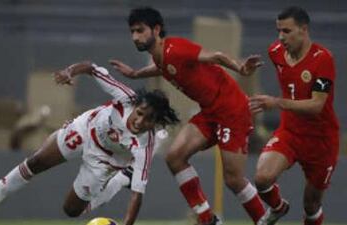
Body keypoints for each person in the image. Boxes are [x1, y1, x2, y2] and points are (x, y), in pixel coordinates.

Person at [0, 61, 180, 225]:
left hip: (105, 160)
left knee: (71, 211)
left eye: (148, 119)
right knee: (35, 163)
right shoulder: (125, 97)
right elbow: (92, 68)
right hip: (84, 130)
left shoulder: (144, 145)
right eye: (140, 113)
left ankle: (121, 179)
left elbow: (137, 194)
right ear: (136, 105)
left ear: (156, 123)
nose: (140, 121)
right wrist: (69, 71)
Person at [110, 7, 267, 225]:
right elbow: (160, 68)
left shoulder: (175, 48)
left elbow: (216, 56)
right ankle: (206, 219)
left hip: (231, 109)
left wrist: (241, 69)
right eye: (133, 32)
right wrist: (135, 74)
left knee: (233, 179)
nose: (135, 37)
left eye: (140, 30)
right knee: (175, 156)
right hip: (210, 112)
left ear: (156, 29)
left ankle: (263, 219)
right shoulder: (161, 58)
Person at [250, 6, 339, 225]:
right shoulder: (276, 52)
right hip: (290, 133)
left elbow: (317, 105)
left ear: (304, 29)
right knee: (262, 178)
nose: (281, 37)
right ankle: (278, 208)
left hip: (321, 141)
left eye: (287, 31)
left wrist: (277, 102)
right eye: (279, 31)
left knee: (311, 205)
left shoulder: (323, 59)